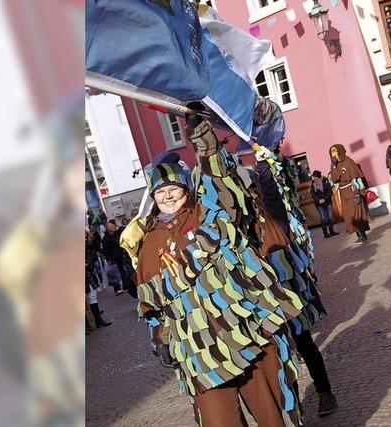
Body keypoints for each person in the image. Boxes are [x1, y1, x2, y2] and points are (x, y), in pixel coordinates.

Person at [120, 114, 305, 426]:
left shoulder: (207, 212)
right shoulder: (148, 243)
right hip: (199, 352)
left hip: (247, 333)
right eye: (159, 191)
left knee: (272, 415)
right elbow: (154, 305)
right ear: (152, 196)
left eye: (173, 188)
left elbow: (220, 181)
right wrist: (161, 337)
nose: (166, 196)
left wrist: (205, 143)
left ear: (185, 188)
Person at [253, 148, 338, 417]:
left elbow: (267, 186)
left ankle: (324, 392)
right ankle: (294, 408)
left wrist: (261, 160)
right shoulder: (236, 227)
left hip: (288, 293)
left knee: (304, 343)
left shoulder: (272, 214)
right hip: (261, 301)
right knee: (276, 354)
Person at [329, 144, 370, 242]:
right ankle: (358, 235)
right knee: (349, 215)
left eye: (335, 151)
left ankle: (362, 235)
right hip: (343, 193)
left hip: (352, 190)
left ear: (340, 151)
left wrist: (357, 193)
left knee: (356, 213)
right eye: (331, 152)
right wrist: (334, 166)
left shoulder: (348, 161)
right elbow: (335, 179)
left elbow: (355, 177)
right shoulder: (334, 165)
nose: (333, 154)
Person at [310, 170, 338, 238]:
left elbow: (329, 191)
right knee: (323, 218)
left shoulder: (325, 181)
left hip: (327, 201)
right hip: (319, 204)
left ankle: (331, 231)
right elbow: (313, 194)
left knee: (330, 217)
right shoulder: (313, 184)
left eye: (314, 176)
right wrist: (318, 200)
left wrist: (325, 199)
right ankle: (325, 233)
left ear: (318, 177)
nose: (313, 178)